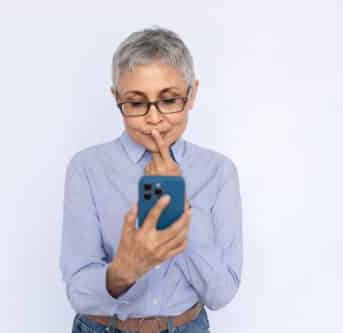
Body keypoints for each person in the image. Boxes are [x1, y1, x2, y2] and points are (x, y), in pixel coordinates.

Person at [60, 25, 243, 333]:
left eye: (169, 100)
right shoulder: (87, 168)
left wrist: (179, 202)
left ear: (192, 94)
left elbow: (221, 293)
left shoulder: (219, 172)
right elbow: (78, 292)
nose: (154, 118)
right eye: (135, 103)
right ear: (116, 98)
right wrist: (122, 271)